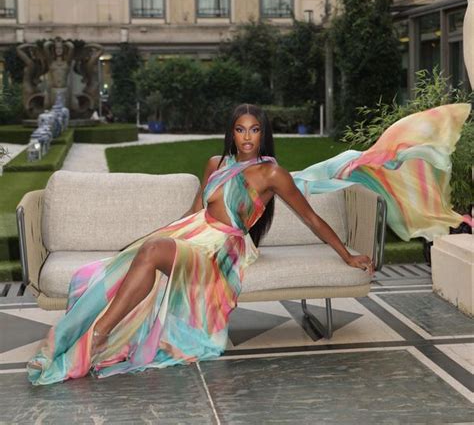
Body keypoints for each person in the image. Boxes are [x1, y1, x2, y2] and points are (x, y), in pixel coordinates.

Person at [27, 103, 373, 385]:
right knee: (123, 261)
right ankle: (98, 332)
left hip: (224, 249)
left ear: (264, 133)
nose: (247, 137)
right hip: (195, 233)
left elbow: (310, 217)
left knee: (149, 253)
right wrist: (155, 237)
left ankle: (100, 335)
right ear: (232, 133)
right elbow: (195, 211)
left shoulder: (272, 174)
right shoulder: (215, 164)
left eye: (255, 129)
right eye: (240, 129)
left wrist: (346, 254)